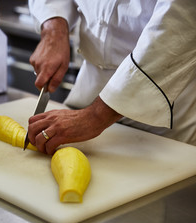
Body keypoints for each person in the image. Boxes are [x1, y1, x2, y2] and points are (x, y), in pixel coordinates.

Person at [27, 0, 196, 154]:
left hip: (165, 111)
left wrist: (95, 116)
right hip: (89, 89)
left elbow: (179, 23)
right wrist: (54, 29)